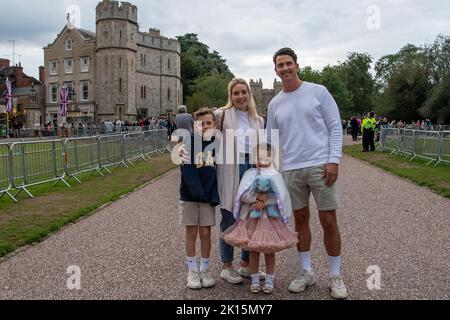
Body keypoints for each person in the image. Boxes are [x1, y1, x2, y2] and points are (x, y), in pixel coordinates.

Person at [266, 47, 348, 299]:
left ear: (297, 65)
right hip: (291, 168)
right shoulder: (275, 103)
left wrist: (333, 160)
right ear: (276, 70)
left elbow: (335, 127)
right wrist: (270, 171)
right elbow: (271, 140)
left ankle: (335, 276)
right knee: (300, 222)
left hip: (320, 165)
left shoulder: (318, 92)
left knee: (328, 220)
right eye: (280, 65)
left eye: (288, 64)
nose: (285, 69)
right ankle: (306, 272)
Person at [222, 143, 298, 294]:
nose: (260, 160)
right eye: (257, 156)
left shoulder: (275, 174)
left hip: (270, 219)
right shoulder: (249, 174)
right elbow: (242, 195)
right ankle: (255, 278)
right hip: (252, 218)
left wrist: (265, 202)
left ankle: (269, 279)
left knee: (270, 250)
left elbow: (280, 197)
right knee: (254, 249)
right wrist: (256, 197)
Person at [215, 79, 266, 284]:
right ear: (230, 95)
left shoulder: (258, 120)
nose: (241, 96)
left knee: (251, 215)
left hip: (252, 168)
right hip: (230, 168)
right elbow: (200, 132)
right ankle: (227, 266)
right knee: (229, 215)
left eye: (244, 92)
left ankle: (246, 264)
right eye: (236, 93)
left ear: (249, 94)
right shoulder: (221, 115)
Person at [179, 107, 220, 290]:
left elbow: (216, 172)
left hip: (208, 197)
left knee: (205, 233)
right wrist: (199, 193)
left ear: (215, 124)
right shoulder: (190, 142)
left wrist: (213, 195)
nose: (205, 127)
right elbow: (188, 171)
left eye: (209, 123)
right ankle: (192, 270)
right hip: (190, 196)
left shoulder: (217, 143)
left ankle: (204, 269)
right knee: (191, 233)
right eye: (201, 124)